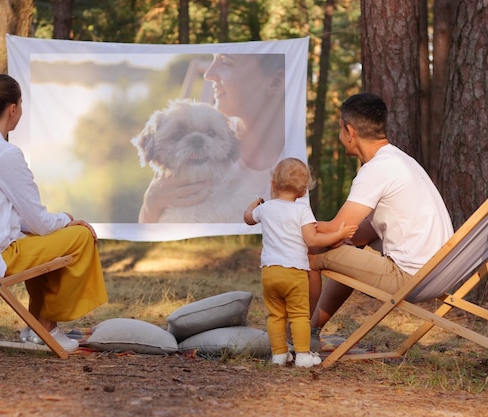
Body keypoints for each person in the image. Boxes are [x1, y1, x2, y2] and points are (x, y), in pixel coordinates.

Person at [0, 74, 108, 353]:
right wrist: (67, 219)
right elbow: (39, 223)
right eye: (21, 105)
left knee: (44, 241)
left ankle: (36, 326)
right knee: (80, 237)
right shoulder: (4, 153)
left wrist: (56, 223)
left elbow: (23, 220)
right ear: (13, 109)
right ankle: (47, 327)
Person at [308, 93, 454, 349]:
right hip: (438, 273)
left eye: (340, 129)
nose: (340, 135)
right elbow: (357, 233)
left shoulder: (376, 169)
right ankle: (310, 331)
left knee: (308, 253)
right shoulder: (400, 160)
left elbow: (335, 230)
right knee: (341, 249)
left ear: (349, 131)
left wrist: (288, 220)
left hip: (411, 277)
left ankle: (298, 336)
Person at [138, 53, 286, 223]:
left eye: (226, 62)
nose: (208, 74)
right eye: (179, 135)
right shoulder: (167, 185)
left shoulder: (294, 153)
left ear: (275, 81)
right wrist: (150, 204)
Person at [244, 158, 358, 367]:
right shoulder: (302, 210)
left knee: (275, 315)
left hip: (270, 273)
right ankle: (303, 355)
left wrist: (254, 204)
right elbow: (312, 240)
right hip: (294, 273)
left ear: (273, 184)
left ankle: (279, 354)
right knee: (299, 315)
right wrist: (338, 234)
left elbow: (248, 218)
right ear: (303, 191)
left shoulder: (266, 208)